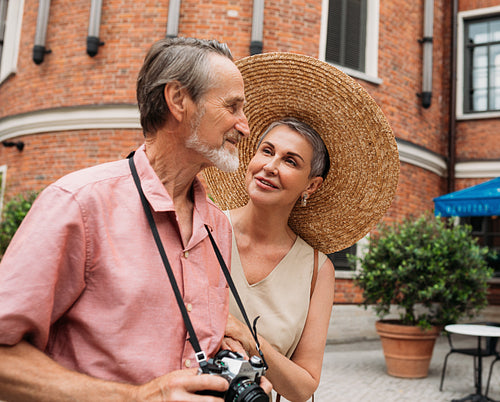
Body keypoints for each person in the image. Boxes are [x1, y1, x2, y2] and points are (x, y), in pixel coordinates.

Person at [0, 37, 272, 401]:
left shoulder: (216, 226)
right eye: (233, 107)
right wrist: (138, 397)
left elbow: (190, 339)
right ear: (177, 100)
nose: (245, 126)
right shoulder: (78, 204)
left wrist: (234, 367)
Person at [204, 52, 400, 401]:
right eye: (266, 151)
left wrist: (249, 339)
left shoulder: (316, 268)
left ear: (311, 185)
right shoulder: (204, 228)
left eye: (290, 161)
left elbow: (304, 385)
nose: (270, 166)